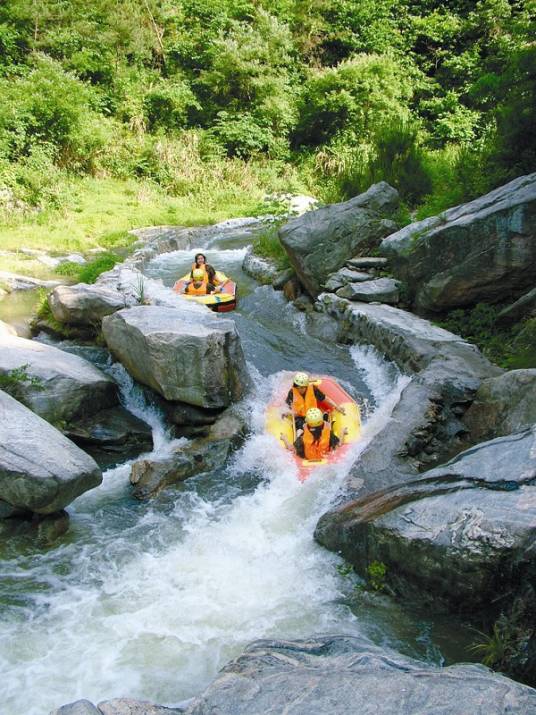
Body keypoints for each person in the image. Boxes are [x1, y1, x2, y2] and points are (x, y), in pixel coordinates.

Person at [280, 407, 348, 461]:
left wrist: (284, 438)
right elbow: (339, 444)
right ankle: (326, 417)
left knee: (299, 431)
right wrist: (342, 432)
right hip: (325, 459)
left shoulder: (303, 438)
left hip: (307, 460)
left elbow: (291, 448)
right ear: (321, 421)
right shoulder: (328, 434)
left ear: (308, 423)